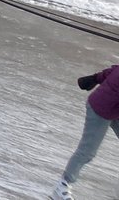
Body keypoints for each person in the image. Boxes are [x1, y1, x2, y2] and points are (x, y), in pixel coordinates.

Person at [49, 66, 119, 199]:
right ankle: (62, 186)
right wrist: (96, 79)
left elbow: (113, 70)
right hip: (100, 109)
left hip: (114, 108)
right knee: (87, 151)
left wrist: (94, 78)